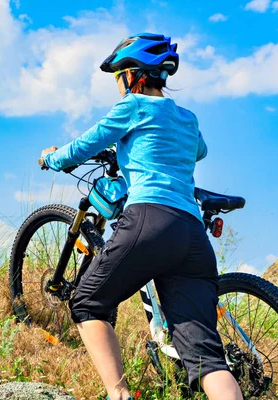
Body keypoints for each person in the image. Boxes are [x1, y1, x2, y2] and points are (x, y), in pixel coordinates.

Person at [38, 34, 243, 400]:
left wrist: (51, 157)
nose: (118, 84)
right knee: (208, 360)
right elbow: (200, 151)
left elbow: (84, 146)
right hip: (192, 236)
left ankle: (119, 395)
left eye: (119, 76)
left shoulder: (131, 108)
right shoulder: (187, 118)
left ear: (132, 76)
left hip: (150, 219)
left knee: (87, 302)